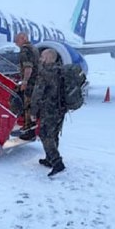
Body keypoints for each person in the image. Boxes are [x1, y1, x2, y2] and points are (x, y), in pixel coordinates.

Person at [30, 48, 67, 176]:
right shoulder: (60, 70)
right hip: (60, 109)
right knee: (54, 133)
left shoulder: (45, 72)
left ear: (48, 58)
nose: (40, 59)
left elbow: (37, 94)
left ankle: (57, 162)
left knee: (45, 134)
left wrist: (33, 111)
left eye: (42, 57)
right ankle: (49, 159)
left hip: (48, 108)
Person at [15, 31, 40, 137]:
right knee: (32, 105)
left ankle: (28, 130)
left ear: (23, 38)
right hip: (37, 81)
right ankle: (30, 127)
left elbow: (28, 68)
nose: (16, 44)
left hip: (30, 82)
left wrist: (25, 81)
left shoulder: (25, 51)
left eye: (17, 41)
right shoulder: (34, 48)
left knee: (27, 105)